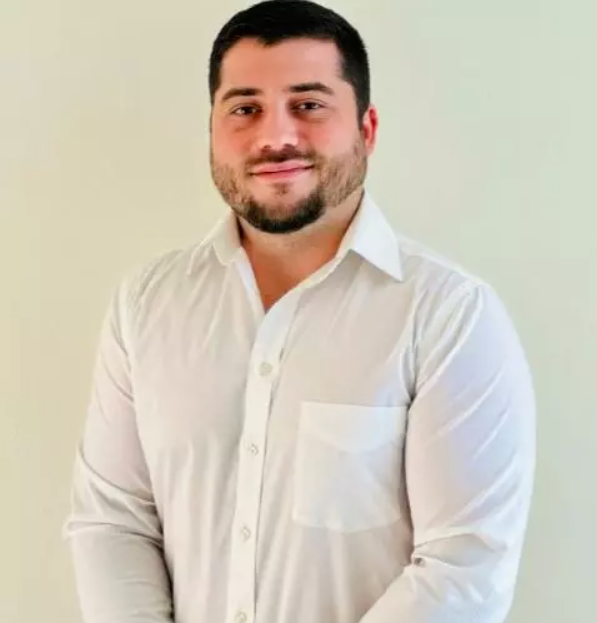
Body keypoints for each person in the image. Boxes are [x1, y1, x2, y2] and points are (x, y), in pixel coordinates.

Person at [63, 1, 536, 622]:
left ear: (367, 129)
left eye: (309, 104)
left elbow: (464, 567)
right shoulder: (147, 305)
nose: (275, 137)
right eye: (245, 109)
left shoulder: (448, 316)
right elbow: (113, 522)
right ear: (212, 131)